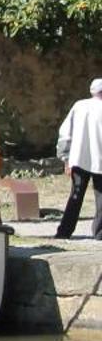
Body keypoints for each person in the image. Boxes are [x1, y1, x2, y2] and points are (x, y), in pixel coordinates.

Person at [57, 79, 102, 240]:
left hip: (78, 158)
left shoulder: (79, 106)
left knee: (75, 197)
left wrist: (65, 158)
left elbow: (65, 133)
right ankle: (99, 233)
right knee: (101, 198)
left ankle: (64, 231)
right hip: (100, 159)